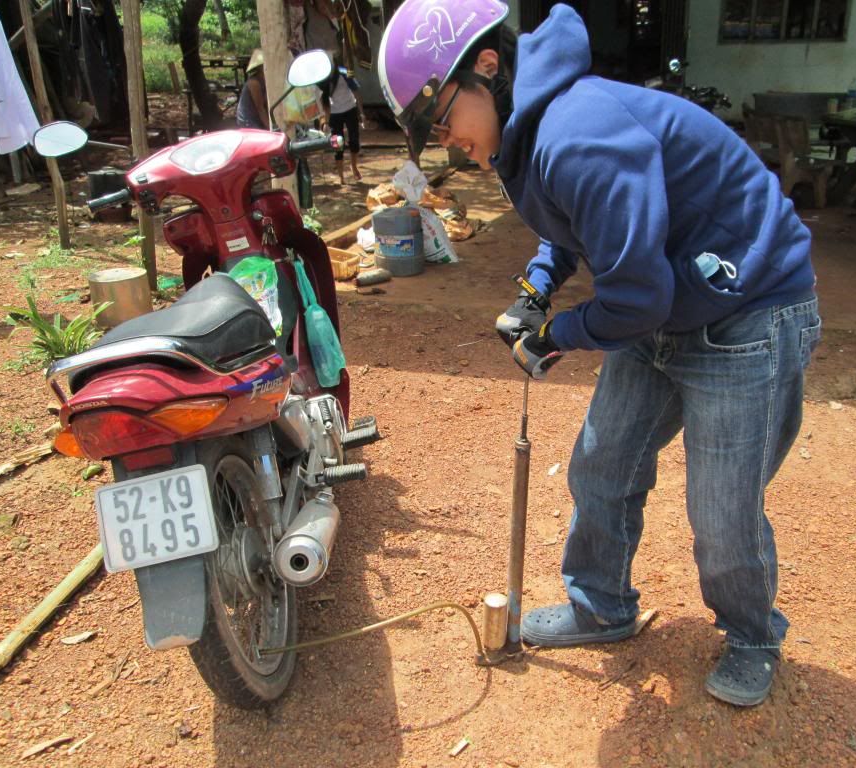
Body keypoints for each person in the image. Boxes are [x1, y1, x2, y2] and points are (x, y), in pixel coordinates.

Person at [378, 0, 822, 707]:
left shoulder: (579, 134)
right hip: (664, 302)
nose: (443, 138)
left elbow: (634, 298)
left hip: (748, 308)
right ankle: (601, 605)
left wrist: (559, 336)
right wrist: (536, 288)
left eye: (440, 117)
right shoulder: (524, 136)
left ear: (487, 68)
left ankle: (752, 635)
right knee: (604, 461)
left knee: (721, 509)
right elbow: (572, 224)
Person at [319, 53, 365, 184]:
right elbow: (325, 102)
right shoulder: (324, 78)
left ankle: (354, 167)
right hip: (335, 113)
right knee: (337, 144)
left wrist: (361, 112)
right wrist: (326, 122)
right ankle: (341, 176)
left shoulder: (345, 74)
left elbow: (356, 92)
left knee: (354, 140)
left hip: (350, 108)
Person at [236, 49, 269, 130]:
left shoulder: (265, 80)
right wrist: (270, 128)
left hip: (257, 117)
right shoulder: (254, 83)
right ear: (260, 68)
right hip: (247, 120)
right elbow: (260, 109)